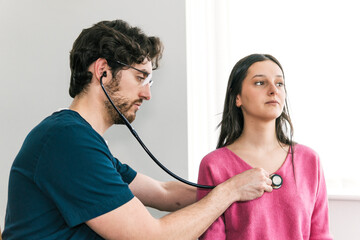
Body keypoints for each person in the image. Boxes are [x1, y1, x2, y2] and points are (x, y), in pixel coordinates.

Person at [2, 20, 274, 240]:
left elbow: (165, 193)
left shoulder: (84, 142)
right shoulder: (67, 141)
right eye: (141, 77)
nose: (147, 94)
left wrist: (233, 181)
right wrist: (229, 192)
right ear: (102, 71)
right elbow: (150, 236)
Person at [197, 54, 332, 240]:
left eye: (279, 83)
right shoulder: (214, 165)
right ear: (237, 98)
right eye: (260, 83)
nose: (273, 90)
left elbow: (321, 235)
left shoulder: (310, 160)